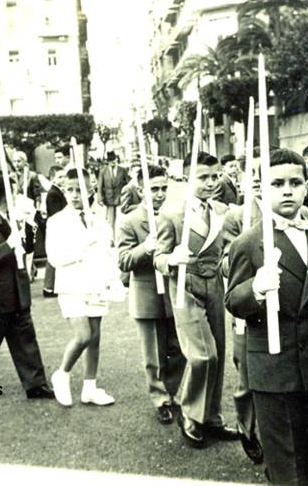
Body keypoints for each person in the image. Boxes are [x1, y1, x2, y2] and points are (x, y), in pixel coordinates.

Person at [226, 148, 308, 485]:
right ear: (262, 189)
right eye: (277, 183)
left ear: (306, 186)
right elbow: (233, 301)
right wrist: (255, 288)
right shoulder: (249, 242)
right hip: (274, 365)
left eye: (295, 182)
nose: (287, 190)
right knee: (285, 453)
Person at [154, 152, 240, 449]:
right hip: (185, 286)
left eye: (215, 176)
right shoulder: (172, 213)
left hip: (215, 284)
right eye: (203, 177)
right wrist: (171, 259)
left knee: (218, 351)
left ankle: (212, 418)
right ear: (188, 177)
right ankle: (190, 413)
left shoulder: (221, 210)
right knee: (204, 356)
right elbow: (158, 256)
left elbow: (230, 248)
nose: (211, 182)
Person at [0, 175, 53, 401]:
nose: (16, 197)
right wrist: (7, 246)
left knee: (27, 341)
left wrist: (28, 228)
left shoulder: (11, 219)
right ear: (4, 196)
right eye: (13, 193)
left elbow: (26, 247)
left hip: (18, 291)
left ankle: (35, 384)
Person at [117, 165, 185, 423]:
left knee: (178, 349)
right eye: (154, 189)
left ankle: (173, 392)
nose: (159, 194)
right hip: (146, 293)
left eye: (163, 188)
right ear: (140, 189)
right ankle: (160, 399)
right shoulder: (129, 220)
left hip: (173, 292)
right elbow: (123, 261)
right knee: (154, 354)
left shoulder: (174, 216)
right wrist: (146, 247)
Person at [47, 167, 117, 407]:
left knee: (95, 336)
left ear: (91, 190)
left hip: (94, 282)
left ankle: (90, 387)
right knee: (83, 335)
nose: (75, 195)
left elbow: (106, 248)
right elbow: (55, 258)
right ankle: (62, 374)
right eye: (70, 190)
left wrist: (99, 235)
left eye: (80, 189)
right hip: (70, 286)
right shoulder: (56, 221)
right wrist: (82, 245)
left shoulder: (97, 219)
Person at [219, 148, 265, 465]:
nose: (260, 183)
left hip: (286, 308)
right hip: (248, 307)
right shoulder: (237, 216)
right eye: (256, 177)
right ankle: (248, 429)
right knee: (247, 374)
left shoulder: (299, 215)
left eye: (266, 177)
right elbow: (224, 263)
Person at [41, 165, 68, 298]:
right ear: (52, 178)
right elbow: (56, 213)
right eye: (60, 177)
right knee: (53, 258)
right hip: (56, 228)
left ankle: (51, 286)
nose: (63, 179)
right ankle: (48, 287)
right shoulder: (53, 194)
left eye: (64, 176)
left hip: (57, 227)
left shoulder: (57, 192)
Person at [97, 151, 130, 235]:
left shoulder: (122, 170)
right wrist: (100, 198)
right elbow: (99, 185)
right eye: (110, 162)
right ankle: (111, 237)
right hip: (108, 199)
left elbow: (128, 183)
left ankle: (119, 236)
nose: (112, 163)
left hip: (120, 199)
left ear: (117, 160)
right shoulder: (103, 171)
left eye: (114, 161)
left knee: (120, 220)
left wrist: (127, 196)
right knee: (110, 220)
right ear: (107, 162)